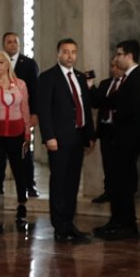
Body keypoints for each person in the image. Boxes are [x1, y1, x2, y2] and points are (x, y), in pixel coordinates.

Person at [36, 38, 96, 243]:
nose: (70, 56)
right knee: (59, 181)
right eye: (66, 52)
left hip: (78, 137)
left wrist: (90, 135)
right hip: (58, 139)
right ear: (58, 54)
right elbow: (43, 110)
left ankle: (69, 223)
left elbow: (84, 107)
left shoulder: (79, 77)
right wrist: (49, 136)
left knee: (72, 182)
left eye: (73, 52)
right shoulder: (48, 77)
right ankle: (59, 226)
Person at [92, 40, 140, 240]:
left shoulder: (138, 78)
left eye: (119, 54)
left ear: (129, 56)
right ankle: (116, 221)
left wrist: (116, 114)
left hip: (127, 140)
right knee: (116, 183)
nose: (116, 59)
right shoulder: (127, 78)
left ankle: (126, 224)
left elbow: (135, 109)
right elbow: (112, 101)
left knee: (124, 184)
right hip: (118, 138)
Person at [0, 51, 32, 229]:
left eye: (1, 62)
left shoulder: (20, 84)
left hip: (16, 132)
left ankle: (22, 206)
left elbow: (25, 108)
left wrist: (27, 131)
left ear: (8, 64)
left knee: (19, 170)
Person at [4, 32, 40, 197]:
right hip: (1, 117)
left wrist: (34, 113)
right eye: (9, 41)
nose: (12, 44)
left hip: (22, 116)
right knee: (0, 153)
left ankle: (29, 185)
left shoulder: (29, 64)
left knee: (25, 151)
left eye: (15, 41)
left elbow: (34, 90)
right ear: (4, 44)